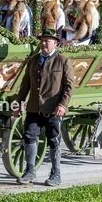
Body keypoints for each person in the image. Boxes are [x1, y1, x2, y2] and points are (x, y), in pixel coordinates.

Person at [11, 30, 74, 187]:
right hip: (33, 108)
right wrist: (18, 104)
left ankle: (56, 173)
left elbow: (69, 86)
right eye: (43, 40)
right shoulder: (33, 60)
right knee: (29, 137)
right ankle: (30, 171)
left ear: (56, 43)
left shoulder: (63, 61)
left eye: (48, 41)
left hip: (53, 109)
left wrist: (62, 105)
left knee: (54, 140)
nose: (44, 43)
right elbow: (25, 85)